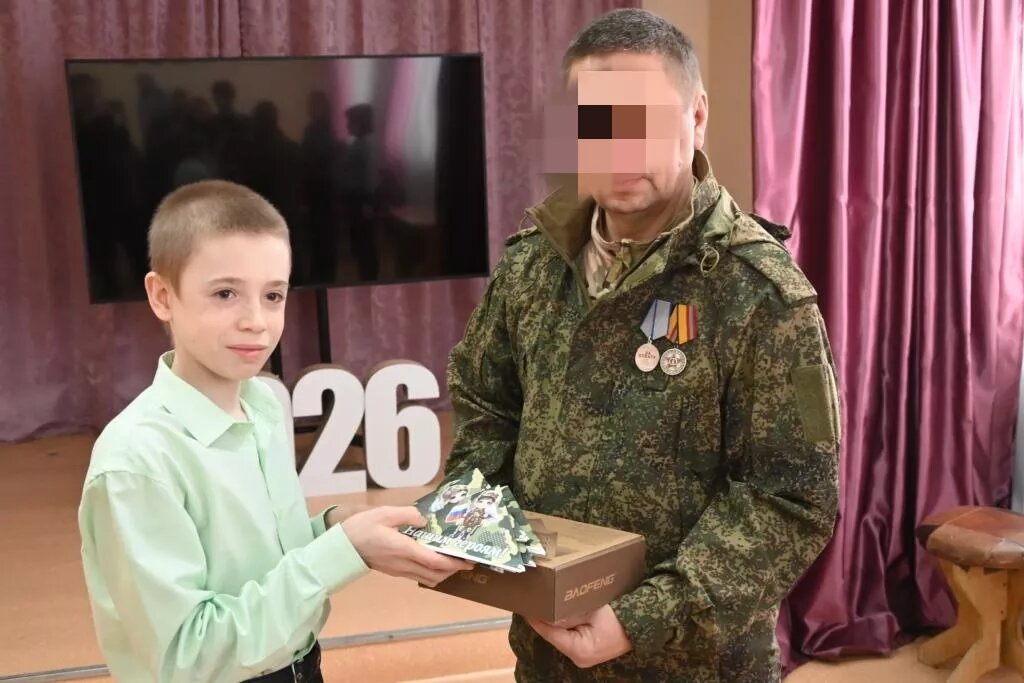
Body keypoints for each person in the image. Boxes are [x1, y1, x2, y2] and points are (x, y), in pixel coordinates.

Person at [445, 8, 841, 682]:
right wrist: (477, 532)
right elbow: (486, 408)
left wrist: (641, 619)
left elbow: (791, 499)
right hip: (545, 653)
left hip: (694, 663)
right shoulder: (532, 264)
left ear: (696, 117)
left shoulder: (763, 294)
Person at [78, 180, 470, 682]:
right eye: (225, 293)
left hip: (301, 665)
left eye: (273, 295)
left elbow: (258, 562)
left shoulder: (261, 405)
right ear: (162, 296)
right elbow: (186, 658)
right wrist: (342, 551)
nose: (257, 322)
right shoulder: (136, 461)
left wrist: (333, 528)